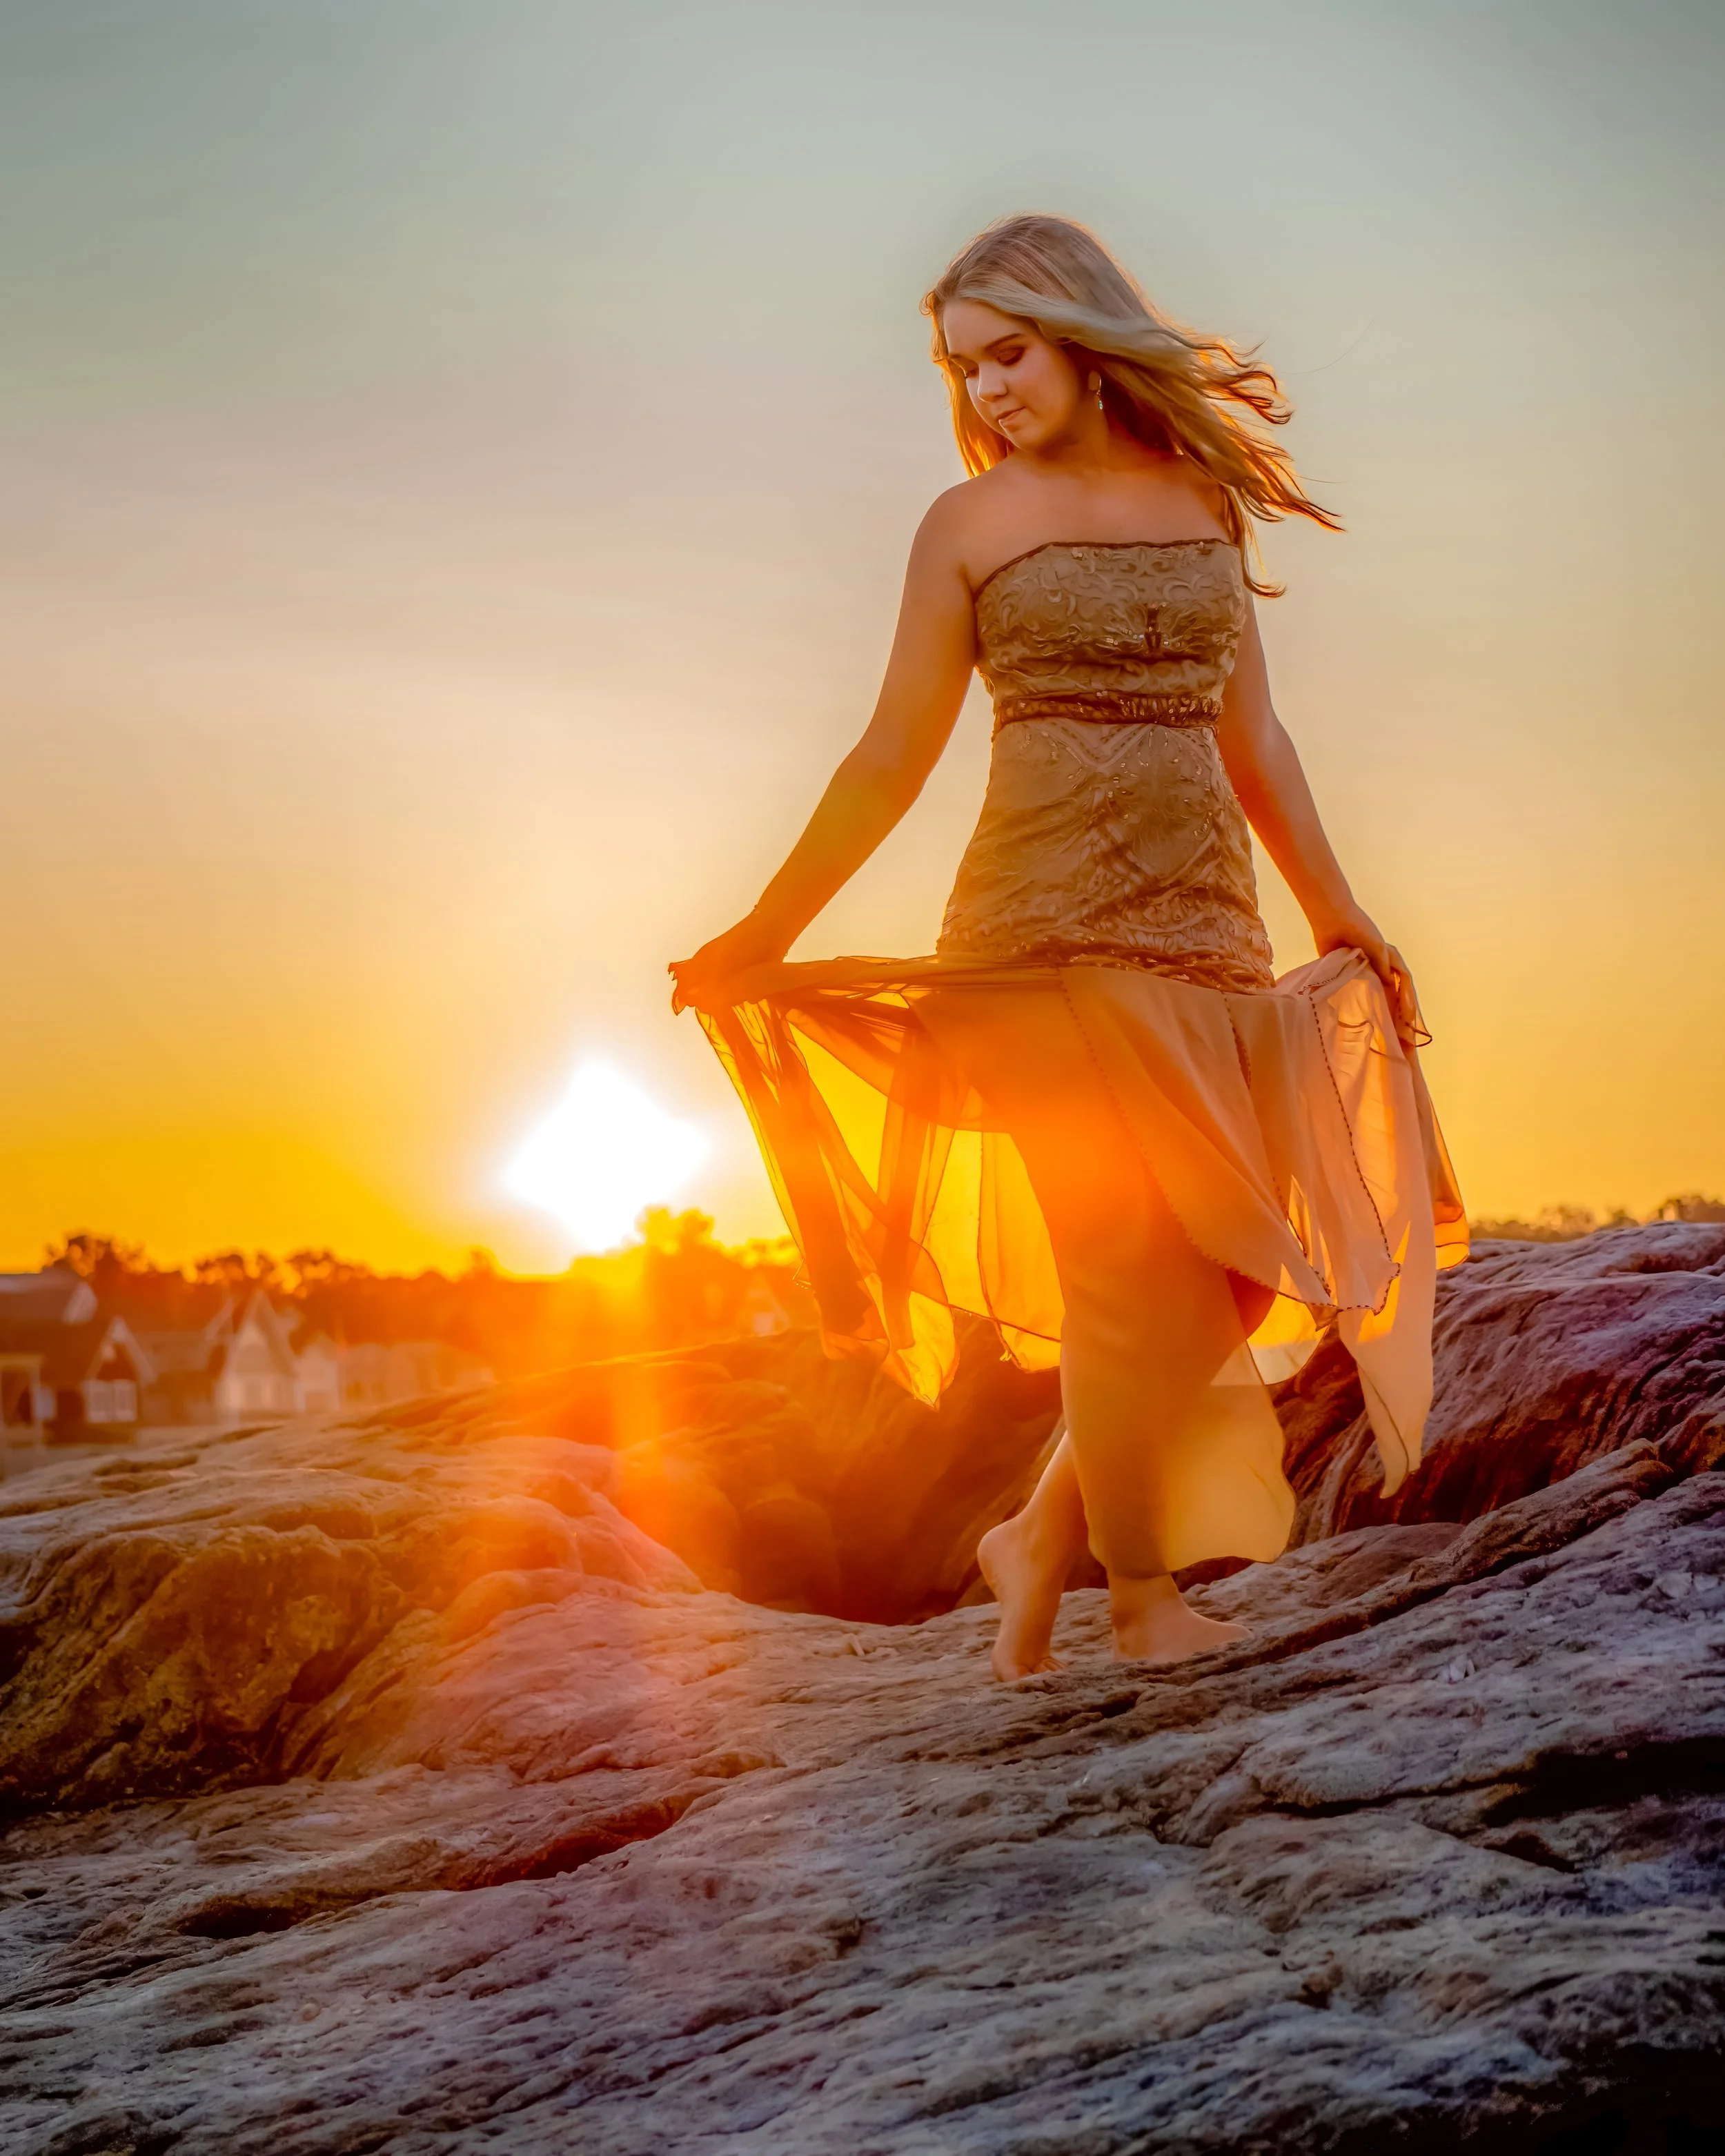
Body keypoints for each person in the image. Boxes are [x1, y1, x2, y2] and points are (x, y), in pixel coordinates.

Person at [670, 214, 1466, 1681]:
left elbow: (1258, 739)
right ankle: (1136, 1592)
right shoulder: (964, 527)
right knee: (1112, 1268)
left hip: (1201, 933)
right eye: (960, 367)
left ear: (1086, 339)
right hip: (1029, 940)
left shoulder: (1199, 502)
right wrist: (761, 929)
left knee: (1233, 1267)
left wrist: (1334, 905)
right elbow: (886, 756)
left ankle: (1034, 1533)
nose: (982, 389)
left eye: (1007, 353)